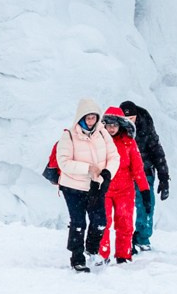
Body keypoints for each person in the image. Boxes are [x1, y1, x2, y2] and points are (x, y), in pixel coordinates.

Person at [43, 98, 120, 272]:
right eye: (88, 117)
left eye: (94, 117)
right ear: (81, 117)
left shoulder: (102, 133)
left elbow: (114, 156)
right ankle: (77, 258)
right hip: (73, 187)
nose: (91, 121)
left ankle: (91, 250)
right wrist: (88, 168)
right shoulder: (69, 136)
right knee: (78, 223)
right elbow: (64, 162)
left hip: (96, 185)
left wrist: (107, 173)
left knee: (100, 221)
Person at [99, 108, 151, 263]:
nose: (112, 128)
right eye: (109, 125)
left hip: (125, 191)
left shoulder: (129, 142)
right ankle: (102, 255)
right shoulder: (98, 142)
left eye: (115, 125)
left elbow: (138, 169)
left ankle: (123, 255)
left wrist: (145, 191)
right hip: (103, 189)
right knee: (103, 223)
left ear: (121, 125)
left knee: (125, 224)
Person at [119, 99, 171, 250]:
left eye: (132, 118)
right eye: (126, 119)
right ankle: (124, 239)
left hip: (145, 171)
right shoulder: (114, 128)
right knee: (123, 208)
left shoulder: (145, 125)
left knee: (147, 205)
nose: (129, 122)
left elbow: (157, 151)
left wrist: (164, 177)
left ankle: (142, 238)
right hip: (122, 173)